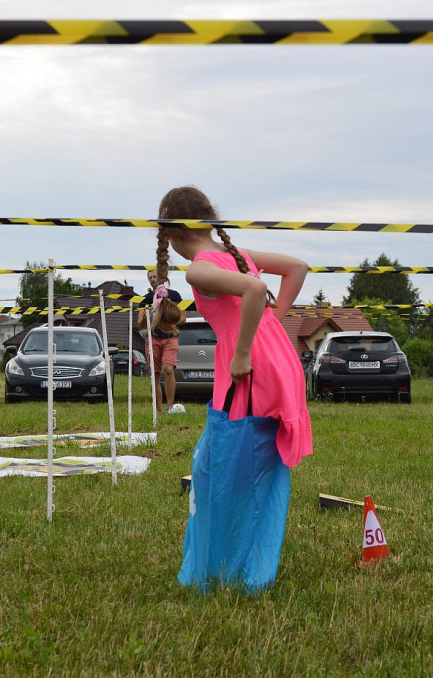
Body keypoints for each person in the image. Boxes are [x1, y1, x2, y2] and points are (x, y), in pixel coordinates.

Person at [157, 186, 312, 590]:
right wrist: (270, 324)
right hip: (279, 360)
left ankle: (234, 572)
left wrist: (243, 351)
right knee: (240, 465)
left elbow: (255, 290)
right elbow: (298, 267)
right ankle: (240, 563)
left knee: (224, 468)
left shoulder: (199, 268)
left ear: (171, 234)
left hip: (251, 370)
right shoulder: (235, 254)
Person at [139, 269, 186, 414]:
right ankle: (158, 410)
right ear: (148, 280)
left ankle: (170, 407)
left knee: (168, 369)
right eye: (151, 277)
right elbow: (140, 323)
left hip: (170, 338)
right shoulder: (145, 299)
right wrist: (147, 316)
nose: (153, 279)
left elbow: (183, 318)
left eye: (155, 276)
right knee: (155, 374)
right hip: (152, 339)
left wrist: (169, 317)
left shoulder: (174, 296)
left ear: (162, 278)